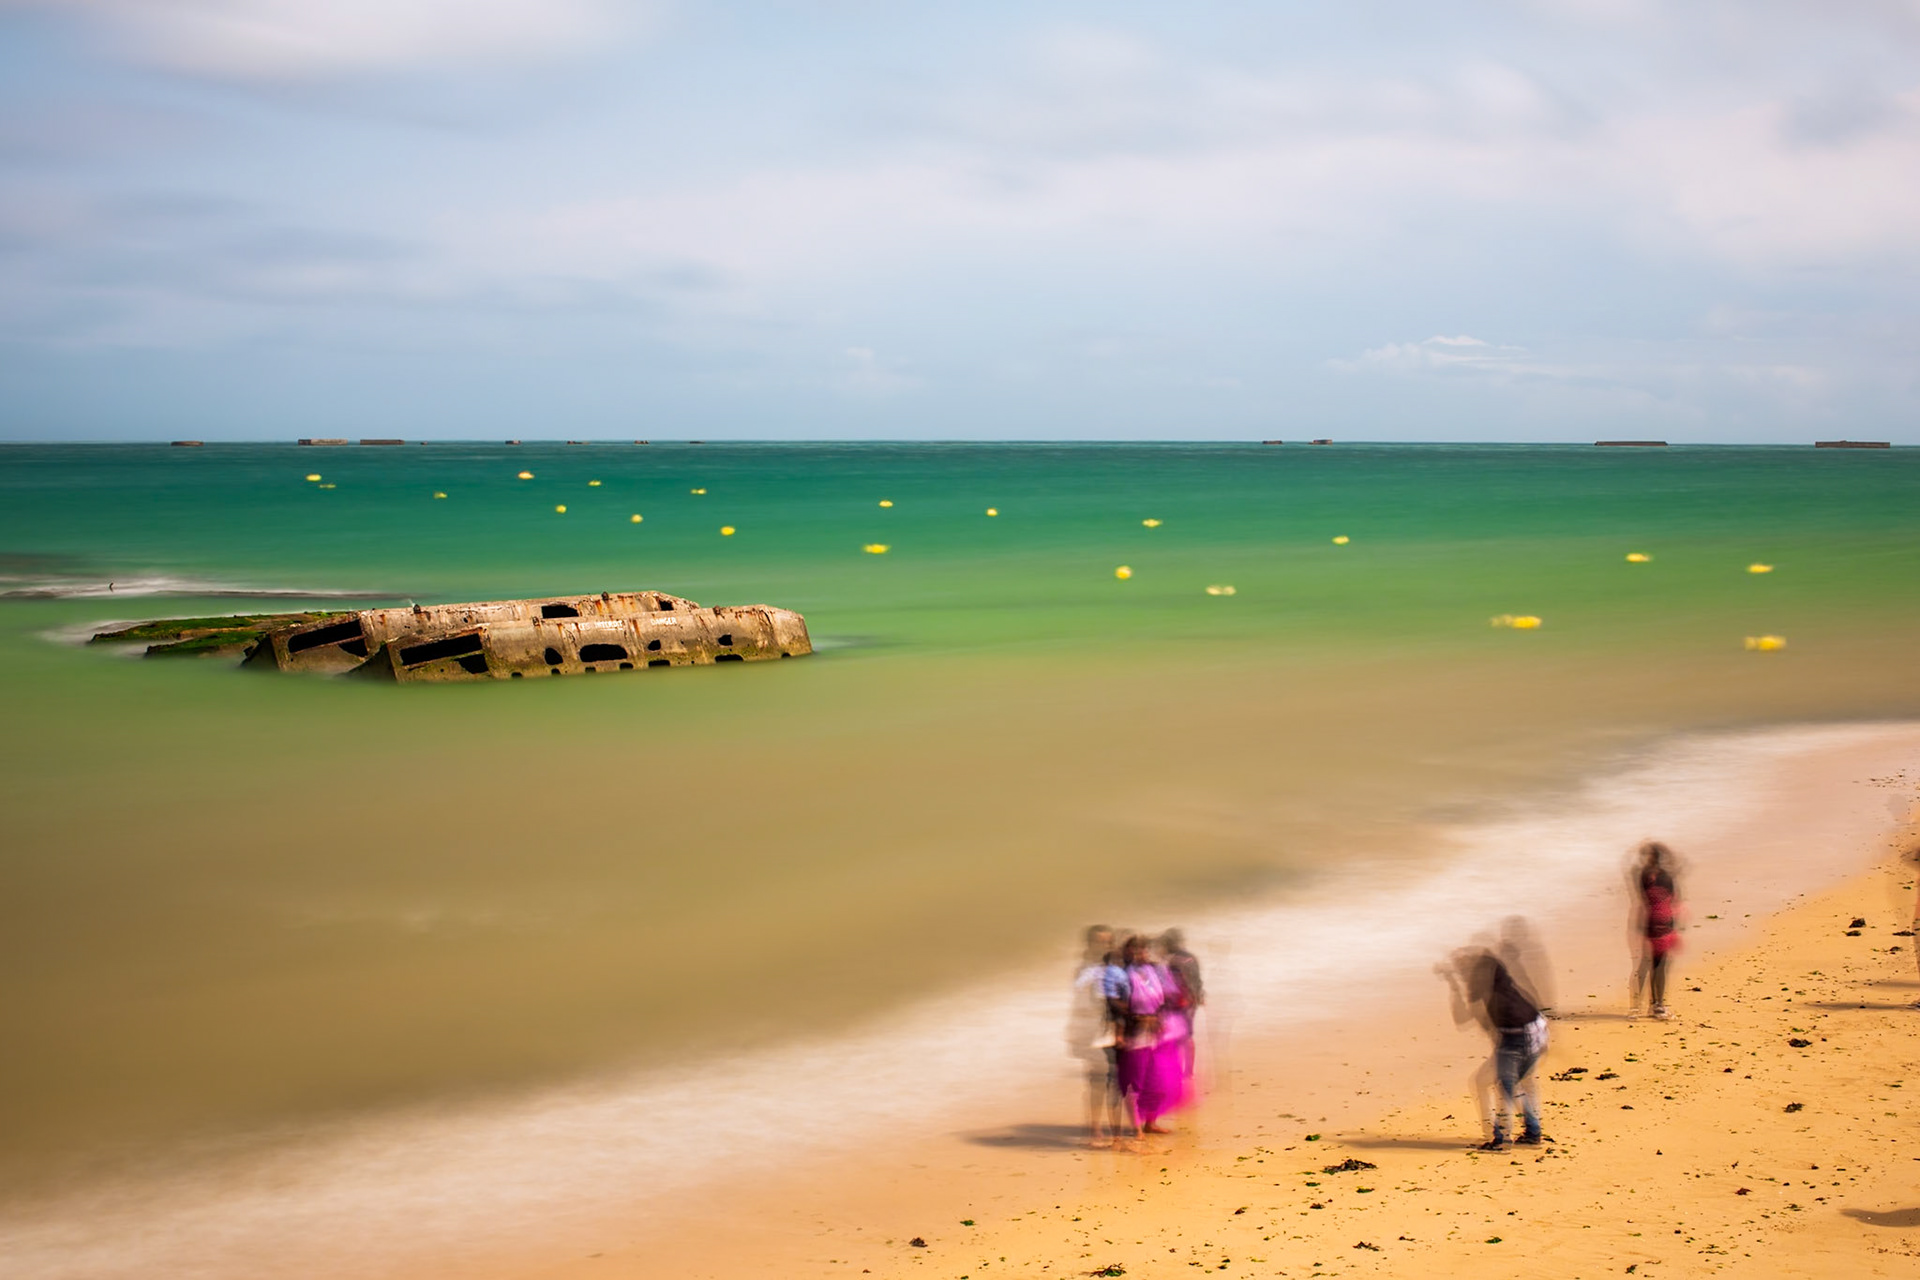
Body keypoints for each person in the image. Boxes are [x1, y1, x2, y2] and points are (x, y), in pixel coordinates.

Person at [1442, 947, 1548, 1149]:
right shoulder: (1498, 975)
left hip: (1515, 1035)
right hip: (1537, 1029)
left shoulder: (1478, 984)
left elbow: (1462, 1019)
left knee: (1496, 1084)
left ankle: (1499, 1138)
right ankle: (1533, 1132)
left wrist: (1453, 987)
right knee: (1521, 1082)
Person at [1108, 935, 1190, 1141]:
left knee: (1158, 1080)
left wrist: (1160, 1016)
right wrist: (1138, 1020)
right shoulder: (1124, 976)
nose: (1140, 954)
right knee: (1135, 1083)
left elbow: (1166, 996)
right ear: (1128, 953)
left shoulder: (1153, 972)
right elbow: (1116, 1006)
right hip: (1135, 1033)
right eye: (1135, 951)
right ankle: (1135, 1128)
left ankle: (1150, 1122)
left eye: (1143, 950)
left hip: (1157, 1031)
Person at [1069, 926, 1125, 1145]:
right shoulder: (1085, 969)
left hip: (1113, 1029)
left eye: (1108, 942)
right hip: (1092, 1031)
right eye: (1099, 941)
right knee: (1097, 1080)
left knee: (1117, 1080)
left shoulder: (1114, 966)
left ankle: (1115, 1129)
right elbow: (1084, 1001)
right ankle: (1094, 1127)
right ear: (1090, 944)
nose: (1104, 946)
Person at [1629, 841, 1682, 1019]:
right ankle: (1655, 1006)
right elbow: (1674, 899)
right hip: (1663, 922)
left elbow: (1643, 897)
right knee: (1658, 965)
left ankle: (1639, 1007)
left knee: (1647, 965)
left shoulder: (1644, 876)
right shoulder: (1665, 877)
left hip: (1652, 922)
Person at [1159, 928, 1204, 1081]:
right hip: (1192, 1000)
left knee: (1178, 1036)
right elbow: (1197, 980)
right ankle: (1189, 1071)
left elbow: (1175, 983)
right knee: (1187, 1035)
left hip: (1180, 1001)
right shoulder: (1191, 958)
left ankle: (1179, 1069)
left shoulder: (1174, 961)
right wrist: (1198, 996)